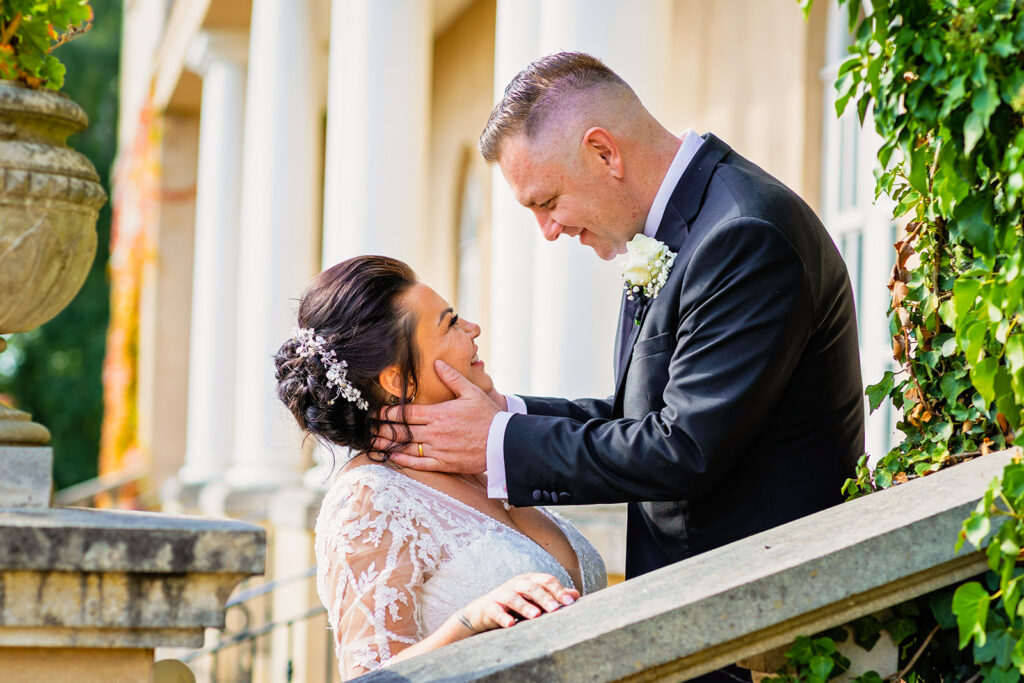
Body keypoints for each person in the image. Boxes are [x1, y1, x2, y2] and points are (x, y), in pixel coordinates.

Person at [377, 52, 865, 680]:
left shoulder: (743, 234)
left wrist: (498, 445)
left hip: (757, 637)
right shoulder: (678, 229)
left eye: (545, 201)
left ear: (604, 152)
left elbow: (684, 448)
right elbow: (643, 417)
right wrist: (505, 415)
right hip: (695, 623)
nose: (548, 230)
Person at [274, 255, 606, 679]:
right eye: (450, 323)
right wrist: (468, 623)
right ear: (399, 382)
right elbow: (369, 677)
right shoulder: (371, 500)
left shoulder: (482, 464)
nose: (473, 328)